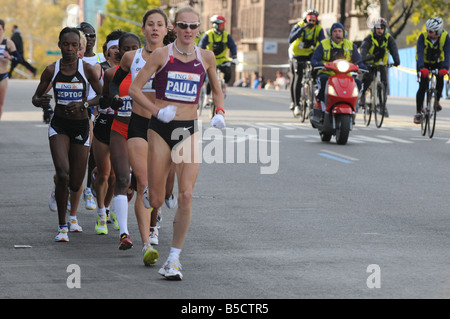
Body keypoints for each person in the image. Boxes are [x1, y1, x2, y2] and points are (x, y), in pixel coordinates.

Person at [129, 6, 225, 280]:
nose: (188, 31)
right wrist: (157, 111)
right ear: (174, 27)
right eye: (182, 26)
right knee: (157, 198)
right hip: (160, 128)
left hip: (189, 129)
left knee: (185, 195)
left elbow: (217, 90)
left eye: (193, 27)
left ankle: (173, 259)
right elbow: (135, 89)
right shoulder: (162, 54)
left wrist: (219, 112)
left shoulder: (206, 57)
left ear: (199, 29)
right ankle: (152, 197)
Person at [109, 8, 176, 263]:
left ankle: (155, 217)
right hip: (137, 124)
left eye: (160, 24)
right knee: (143, 184)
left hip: (165, 127)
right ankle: (146, 244)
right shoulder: (131, 57)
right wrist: (116, 96)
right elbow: (116, 81)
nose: (155, 28)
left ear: (167, 29)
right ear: (143, 29)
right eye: (151, 24)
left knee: (162, 187)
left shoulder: (174, 57)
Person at [31, 27, 102, 242]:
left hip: (81, 126)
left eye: (74, 45)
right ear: (59, 45)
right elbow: (36, 97)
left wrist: (84, 104)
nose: (70, 49)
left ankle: (65, 196)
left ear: (80, 48)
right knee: (63, 174)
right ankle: (62, 227)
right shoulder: (51, 70)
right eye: (66, 44)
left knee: (75, 183)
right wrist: (41, 101)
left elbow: (103, 96)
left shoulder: (88, 69)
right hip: (59, 125)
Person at [92, 30, 125, 235]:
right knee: (104, 172)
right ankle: (101, 212)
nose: (118, 51)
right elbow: (98, 96)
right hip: (104, 122)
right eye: (114, 47)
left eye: (121, 48)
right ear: (107, 52)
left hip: (123, 123)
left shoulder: (134, 70)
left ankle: (110, 205)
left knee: (115, 175)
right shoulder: (103, 70)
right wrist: (90, 102)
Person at [311, 22, 366, 121]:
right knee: (322, 82)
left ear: (343, 33)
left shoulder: (350, 45)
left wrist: (361, 67)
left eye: (340, 31)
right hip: (327, 73)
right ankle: (323, 108)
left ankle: (354, 106)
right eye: (335, 31)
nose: (337, 33)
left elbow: (358, 60)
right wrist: (320, 65)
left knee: (358, 84)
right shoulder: (323, 44)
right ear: (331, 34)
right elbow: (314, 59)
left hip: (345, 75)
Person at [77, 21, 104, 211]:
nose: (90, 38)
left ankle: (88, 188)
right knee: (81, 154)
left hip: (99, 110)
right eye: (85, 35)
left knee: (94, 154)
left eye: (92, 35)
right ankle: (67, 187)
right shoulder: (73, 60)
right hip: (81, 111)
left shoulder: (102, 58)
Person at [359, 17, 400, 117]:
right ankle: (363, 95)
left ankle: (382, 106)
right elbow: (363, 49)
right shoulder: (369, 38)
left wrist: (396, 61)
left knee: (384, 84)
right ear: (374, 29)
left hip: (382, 64)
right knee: (367, 78)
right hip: (369, 63)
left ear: (385, 29)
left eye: (382, 28)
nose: (380, 30)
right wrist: (363, 61)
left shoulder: (389, 38)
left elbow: (394, 50)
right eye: (377, 28)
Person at [288, 9, 325, 115]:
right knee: (298, 77)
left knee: (316, 73)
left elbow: (323, 42)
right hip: (297, 54)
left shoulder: (318, 29)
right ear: (305, 19)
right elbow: (290, 39)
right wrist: (302, 29)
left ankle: (313, 94)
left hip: (310, 54)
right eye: (310, 20)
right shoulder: (299, 25)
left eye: (314, 20)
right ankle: (296, 105)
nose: (312, 23)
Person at [413, 17, 449, 124]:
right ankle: (418, 112)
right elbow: (419, 53)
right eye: (427, 30)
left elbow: (448, 53)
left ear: (438, 31)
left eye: (431, 31)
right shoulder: (422, 37)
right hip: (423, 62)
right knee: (423, 86)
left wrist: (446, 68)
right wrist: (422, 67)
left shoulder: (445, 37)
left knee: (440, 80)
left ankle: (436, 101)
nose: (428, 33)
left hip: (438, 62)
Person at [199, 14, 238, 107]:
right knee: (211, 78)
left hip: (222, 59)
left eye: (224, 24)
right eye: (221, 25)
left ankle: (224, 85)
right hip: (210, 60)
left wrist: (234, 57)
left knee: (228, 72)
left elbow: (233, 46)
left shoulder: (226, 35)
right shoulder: (208, 35)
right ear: (215, 25)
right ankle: (207, 97)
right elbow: (201, 47)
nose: (223, 27)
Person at [0, 19, 20, 120]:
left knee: (0, 104)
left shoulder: (8, 43)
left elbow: (19, 59)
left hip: (2, 76)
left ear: (4, 29)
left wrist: (9, 57)